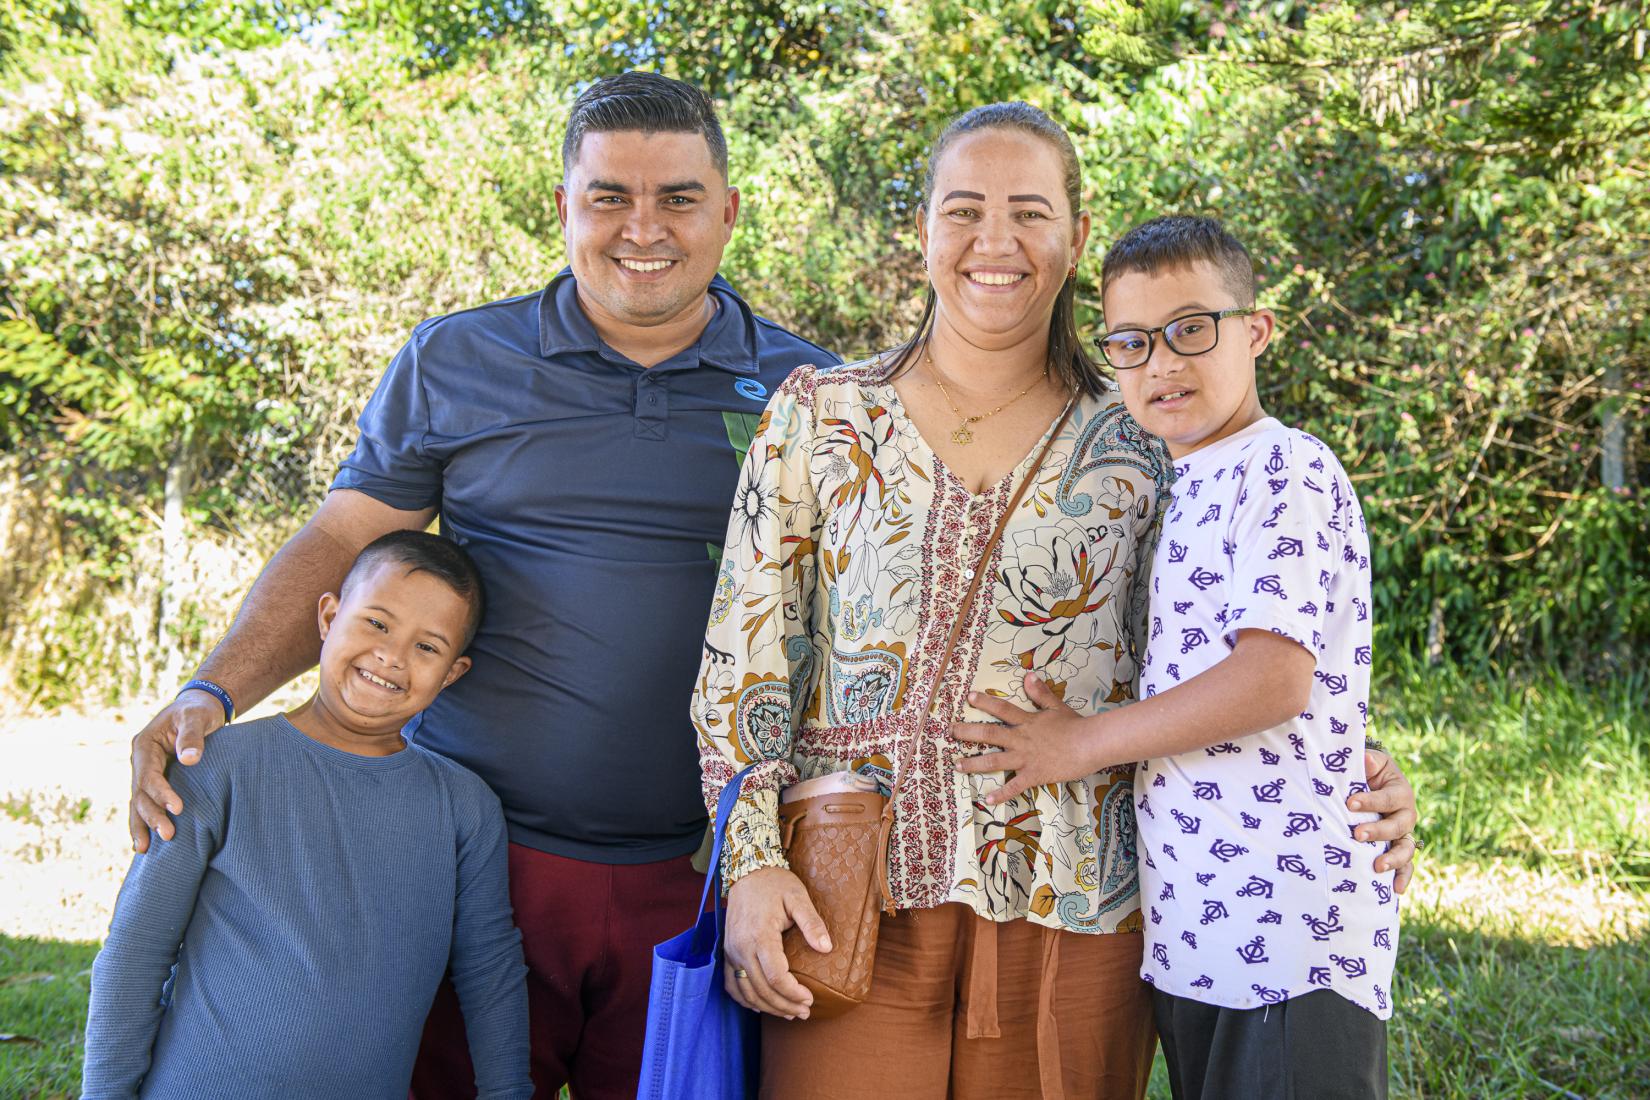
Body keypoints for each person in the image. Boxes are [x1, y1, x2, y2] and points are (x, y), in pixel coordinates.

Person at [126, 74, 1415, 1097]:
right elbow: (748, 656)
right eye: (963, 207)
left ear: (1077, 235)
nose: (994, 241)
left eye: (1030, 212)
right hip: (810, 886)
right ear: (920, 231)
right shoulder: (817, 412)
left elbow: (1249, 619)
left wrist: (1348, 765)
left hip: (1076, 889)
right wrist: (749, 860)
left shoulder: (1147, 432)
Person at [122, 72, 835, 1100]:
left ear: (727, 208)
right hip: (466, 852)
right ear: (562, 206)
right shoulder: (458, 360)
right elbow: (344, 540)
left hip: (703, 867)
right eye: (608, 197)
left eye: (678, 197)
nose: (645, 227)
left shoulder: (812, 393)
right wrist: (211, 689)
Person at [954, 215, 1400, 1097]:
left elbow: (1274, 678)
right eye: (1133, 342)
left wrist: (1078, 741)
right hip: (1203, 928)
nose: (1163, 364)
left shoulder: (1285, 470)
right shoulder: (1180, 480)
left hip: (1286, 923)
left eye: (1192, 330)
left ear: (1256, 330)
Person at [84, 532, 529, 1100]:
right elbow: (136, 952)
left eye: (427, 647)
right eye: (376, 623)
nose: (392, 655)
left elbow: (488, 970)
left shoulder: (465, 807)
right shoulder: (217, 766)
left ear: (452, 673)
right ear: (328, 617)